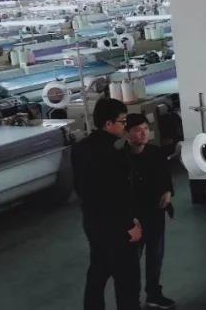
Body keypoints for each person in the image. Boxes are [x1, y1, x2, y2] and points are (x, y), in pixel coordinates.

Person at [71, 98, 142, 310]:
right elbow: (116, 195)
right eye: (122, 122)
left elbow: (82, 188)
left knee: (98, 271)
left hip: (92, 222)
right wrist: (129, 225)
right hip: (116, 226)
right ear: (108, 123)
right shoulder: (112, 153)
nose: (125, 126)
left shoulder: (80, 148)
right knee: (127, 278)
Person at [124, 113, 177, 309]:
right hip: (134, 217)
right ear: (127, 133)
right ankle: (130, 300)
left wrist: (168, 192)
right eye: (138, 130)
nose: (143, 133)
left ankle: (154, 294)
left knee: (155, 256)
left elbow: (165, 177)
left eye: (146, 129)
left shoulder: (155, 152)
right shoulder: (121, 158)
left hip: (155, 213)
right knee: (131, 261)